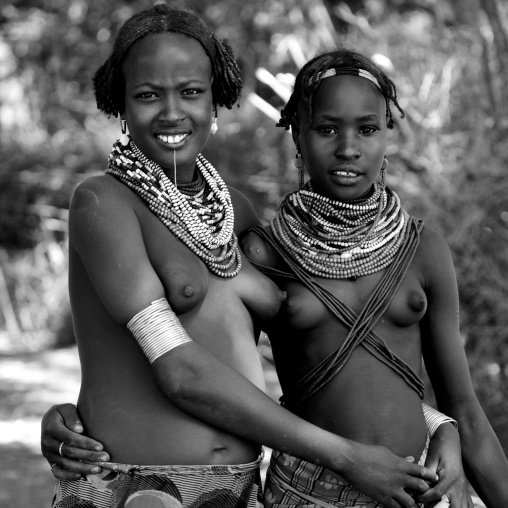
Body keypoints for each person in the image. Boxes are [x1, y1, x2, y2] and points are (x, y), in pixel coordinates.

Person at [40, 4, 466, 508]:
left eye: (192, 92)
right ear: (121, 103)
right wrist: (347, 456)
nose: (173, 112)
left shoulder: (234, 213)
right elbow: (181, 372)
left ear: (216, 101)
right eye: (148, 95)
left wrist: (437, 423)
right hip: (136, 487)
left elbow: (326, 354)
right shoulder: (102, 202)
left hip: (242, 491)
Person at [235, 49, 508, 508]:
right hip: (306, 492)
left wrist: (444, 429)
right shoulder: (265, 252)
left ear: (387, 135)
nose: (348, 148)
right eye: (326, 129)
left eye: (367, 129)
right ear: (297, 135)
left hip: (417, 489)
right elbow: (232, 392)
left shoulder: (422, 249)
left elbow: (465, 409)